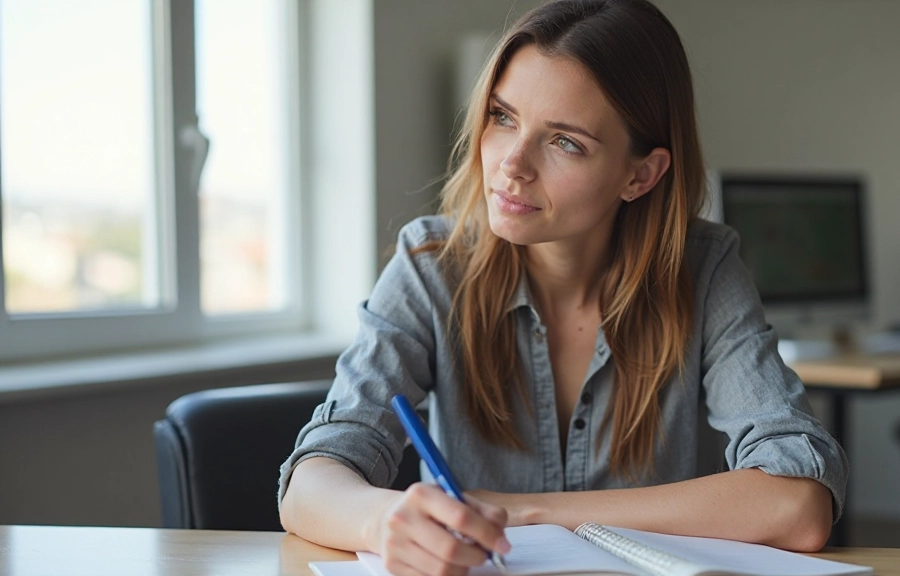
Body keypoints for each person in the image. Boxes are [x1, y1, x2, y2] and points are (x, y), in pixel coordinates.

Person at [279, 0, 848, 573]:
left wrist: (527, 512)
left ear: (640, 174)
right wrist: (383, 521)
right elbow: (312, 482)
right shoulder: (432, 266)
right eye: (503, 117)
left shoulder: (703, 269)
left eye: (565, 142)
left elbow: (797, 503)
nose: (512, 165)